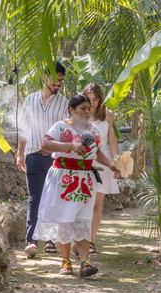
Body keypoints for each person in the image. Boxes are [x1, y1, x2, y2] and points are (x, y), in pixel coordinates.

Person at [33, 95, 118, 277]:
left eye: (89, 108)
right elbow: (45, 143)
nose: (88, 112)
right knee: (65, 219)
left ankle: (85, 263)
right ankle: (66, 262)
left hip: (86, 181)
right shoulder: (61, 127)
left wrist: (110, 164)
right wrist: (70, 145)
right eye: (83, 109)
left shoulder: (93, 130)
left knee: (83, 221)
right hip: (63, 179)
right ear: (71, 110)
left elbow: (97, 152)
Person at [16, 62, 69, 258]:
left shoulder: (64, 103)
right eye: (56, 80)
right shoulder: (29, 100)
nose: (58, 84)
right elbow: (23, 129)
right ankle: (31, 241)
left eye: (61, 81)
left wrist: (56, 148)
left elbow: (66, 131)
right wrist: (19, 153)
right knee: (35, 198)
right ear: (45, 77)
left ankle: (49, 239)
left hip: (54, 158)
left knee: (53, 198)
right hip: (33, 155)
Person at [79, 83, 120, 254]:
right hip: (85, 161)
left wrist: (117, 163)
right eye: (89, 99)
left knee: (97, 204)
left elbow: (112, 141)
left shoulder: (107, 115)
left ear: (100, 99)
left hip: (103, 163)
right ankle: (80, 239)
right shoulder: (81, 114)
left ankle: (91, 241)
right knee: (82, 204)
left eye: (95, 99)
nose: (93, 102)